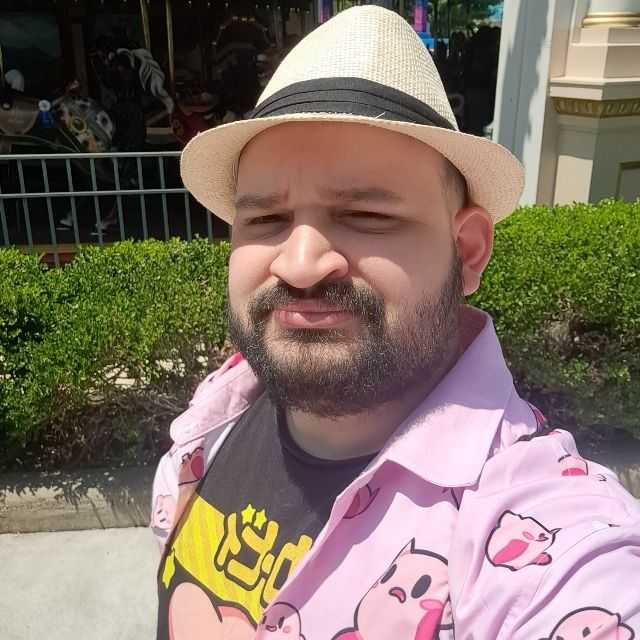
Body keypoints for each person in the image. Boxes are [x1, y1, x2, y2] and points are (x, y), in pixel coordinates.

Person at [152, 7, 640, 639]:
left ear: (467, 252)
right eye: (266, 220)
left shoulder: (533, 532)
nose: (298, 263)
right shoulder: (216, 415)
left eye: (366, 216)